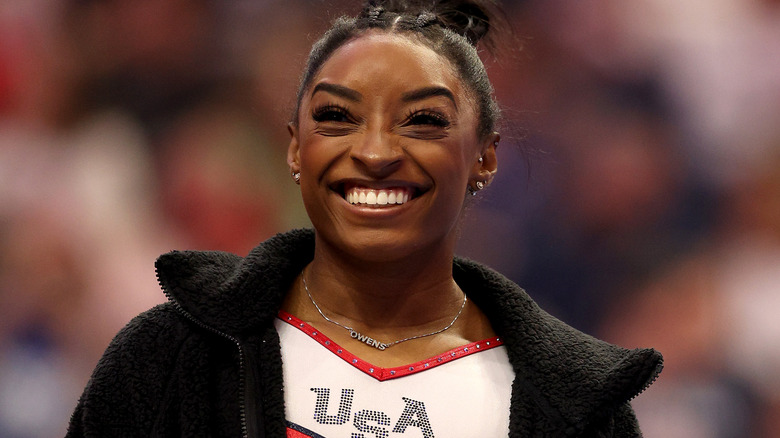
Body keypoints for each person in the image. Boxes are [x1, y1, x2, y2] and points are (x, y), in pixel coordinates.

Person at [66, 1, 663, 436]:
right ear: (296, 149)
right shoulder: (168, 359)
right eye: (337, 117)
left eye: (424, 120)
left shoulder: (577, 407)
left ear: (485, 156)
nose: (375, 153)